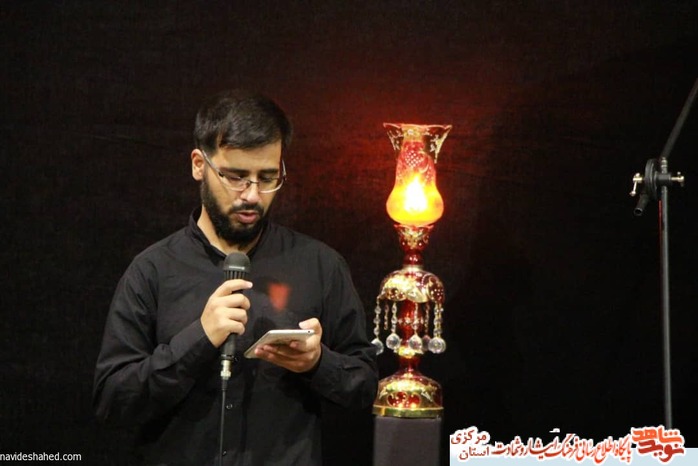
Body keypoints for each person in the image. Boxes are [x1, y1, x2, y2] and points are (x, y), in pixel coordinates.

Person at [93, 89, 378, 465]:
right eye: (236, 177)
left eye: (268, 178)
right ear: (199, 164)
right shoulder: (152, 270)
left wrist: (317, 363)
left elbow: (365, 387)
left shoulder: (321, 265)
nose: (253, 195)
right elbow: (112, 401)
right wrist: (199, 338)